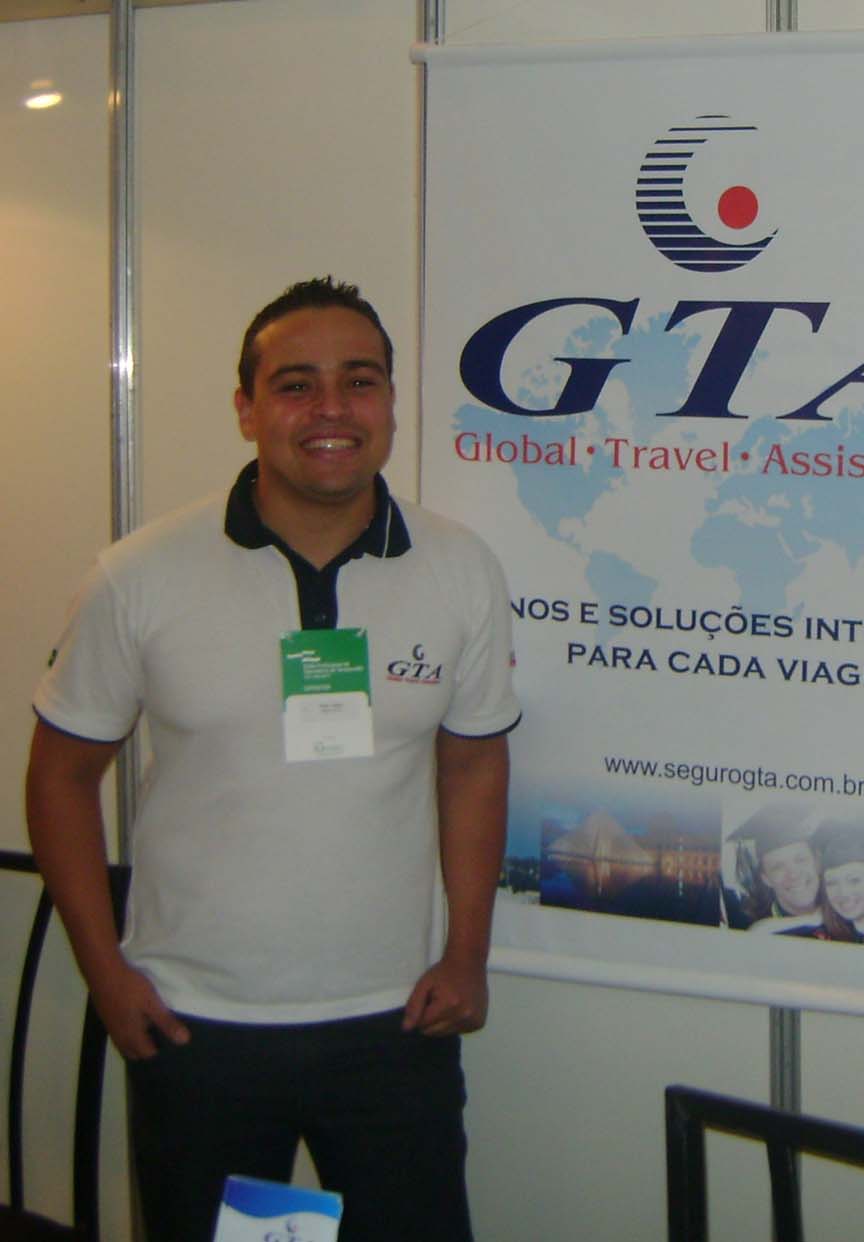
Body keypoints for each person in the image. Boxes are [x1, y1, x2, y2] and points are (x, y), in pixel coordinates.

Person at [26, 277, 522, 1242]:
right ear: (247, 409)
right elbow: (60, 778)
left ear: (389, 402)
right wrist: (105, 972)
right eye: (296, 385)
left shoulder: (460, 568)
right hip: (196, 1027)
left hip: (397, 1022)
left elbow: (473, 768)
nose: (332, 409)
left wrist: (468, 953)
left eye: (359, 381)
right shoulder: (139, 576)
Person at [724, 802, 825, 933]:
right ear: (766, 879)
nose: (793, 874)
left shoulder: (845, 911)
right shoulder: (752, 930)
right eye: (778, 867)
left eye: (801, 860)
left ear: (817, 863)